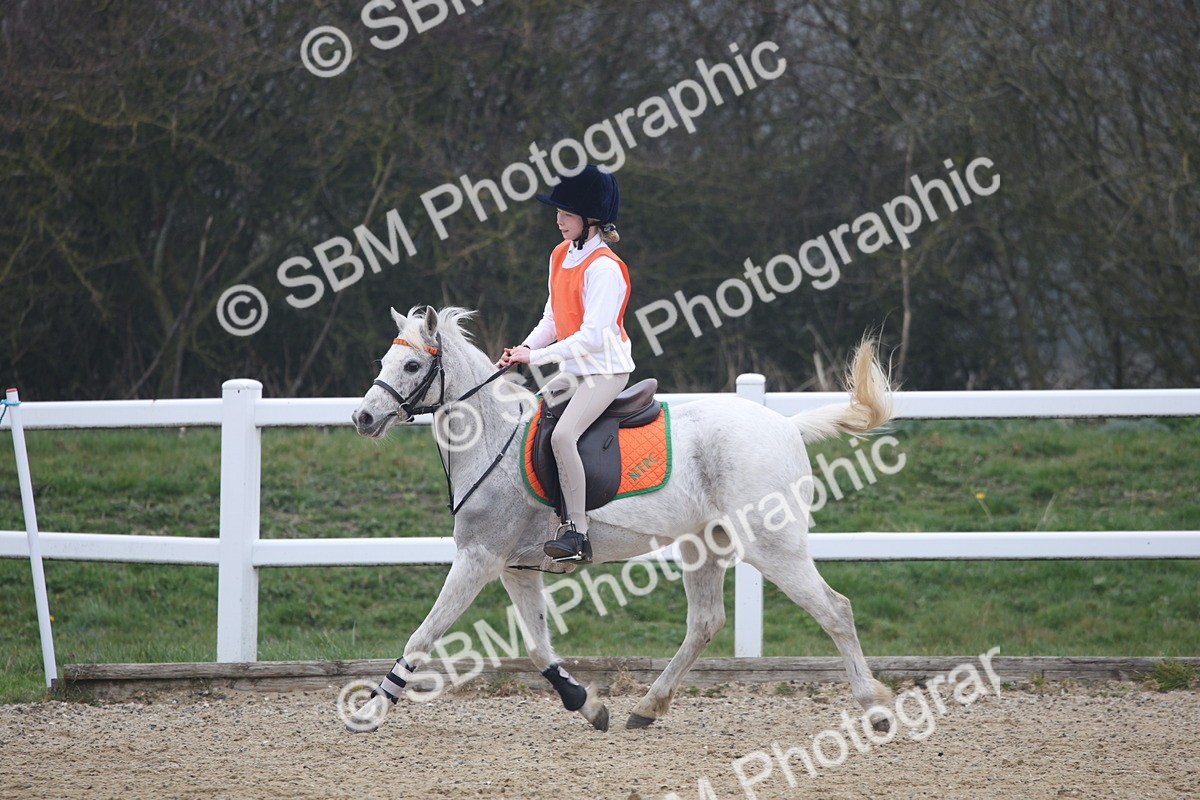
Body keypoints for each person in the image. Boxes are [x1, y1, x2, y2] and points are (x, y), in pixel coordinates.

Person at [495, 165, 635, 564]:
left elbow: (592, 337)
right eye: (558, 213)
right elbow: (552, 320)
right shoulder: (560, 255)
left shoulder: (606, 268)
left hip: (605, 370)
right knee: (530, 421)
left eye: (567, 214)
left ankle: (577, 532)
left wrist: (535, 357)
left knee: (563, 436)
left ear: (592, 220)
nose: (558, 220)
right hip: (576, 368)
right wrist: (522, 348)